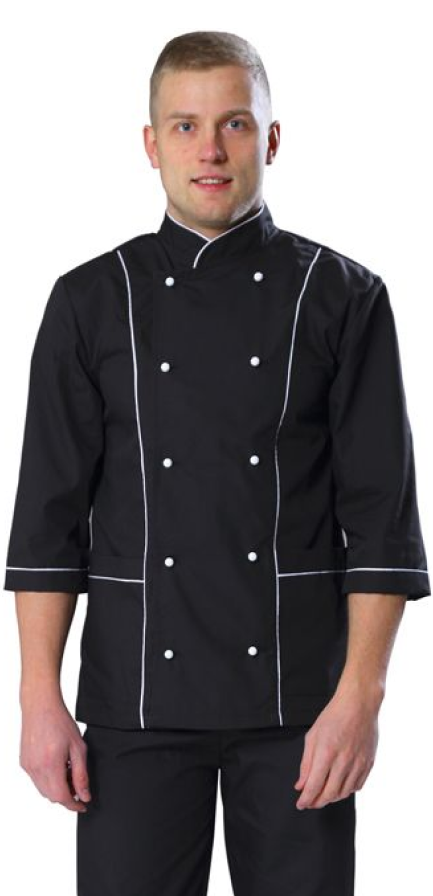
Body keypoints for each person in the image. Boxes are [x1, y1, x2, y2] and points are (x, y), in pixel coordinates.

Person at [4, 29, 430, 896]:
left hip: (298, 709)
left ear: (270, 138)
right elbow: (49, 520)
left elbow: (379, 518)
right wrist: (39, 699)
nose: (209, 149)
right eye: (186, 125)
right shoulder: (90, 300)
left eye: (233, 123)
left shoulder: (342, 298)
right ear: (151, 143)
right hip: (133, 706)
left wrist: (360, 700)